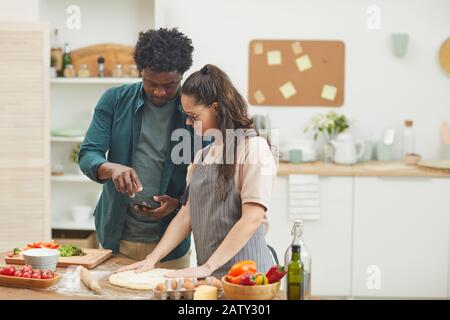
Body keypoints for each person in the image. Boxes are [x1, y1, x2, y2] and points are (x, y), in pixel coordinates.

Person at [116, 64, 277, 279]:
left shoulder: (254, 148)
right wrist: (151, 259)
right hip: (210, 277)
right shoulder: (203, 155)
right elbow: (186, 216)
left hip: (249, 279)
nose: (188, 122)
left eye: (193, 116)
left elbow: (252, 218)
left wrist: (207, 267)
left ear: (216, 108)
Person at [79, 28, 201, 269]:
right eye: (151, 83)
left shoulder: (195, 111)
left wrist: (178, 202)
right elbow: (88, 154)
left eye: (170, 85)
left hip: (171, 247)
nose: (159, 92)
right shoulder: (114, 100)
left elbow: (208, 171)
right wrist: (110, 168)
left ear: (182, 76)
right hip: (116, 240)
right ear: (140, 72)